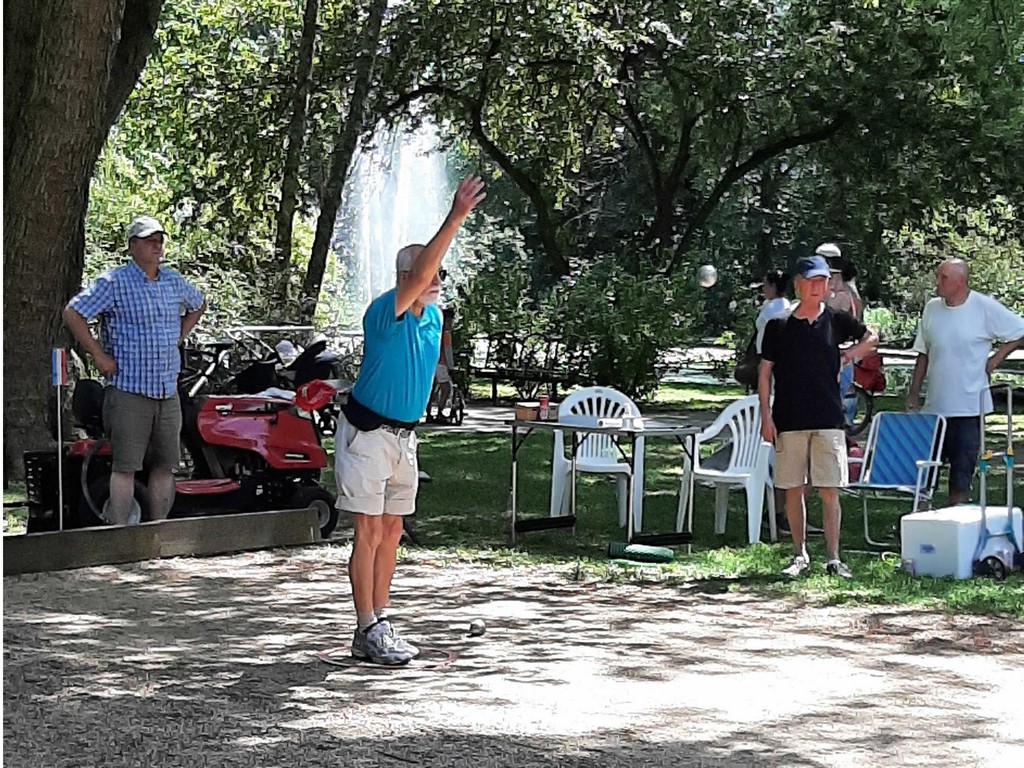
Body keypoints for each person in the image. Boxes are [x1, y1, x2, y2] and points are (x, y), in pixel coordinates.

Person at [335, 174, 486, 665]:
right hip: (367, 434)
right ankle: (366, 625)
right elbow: (419, 277)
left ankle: (380, 619)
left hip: (404, 437)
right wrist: (456, 217)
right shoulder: (387, 311)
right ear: (405, 278)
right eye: (427, 273)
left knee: (392, 529)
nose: (435, 279)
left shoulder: (435, 318)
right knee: (368, 531)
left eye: (440, 273)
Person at [63, 216, 206, 524]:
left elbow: (198, 304)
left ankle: (158, 532)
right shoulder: (114, 282)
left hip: (167, 390)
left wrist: (180, 335)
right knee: (125, 466)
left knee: (165, 466)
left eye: (160, 241)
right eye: (150, 241)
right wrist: (99, 356)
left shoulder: (173, 281)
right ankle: (121, 534)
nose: (157, 246)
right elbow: (73, 312)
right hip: (129, 389)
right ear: (132, 246)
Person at [759, 254, 878, 579]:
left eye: (823, 281)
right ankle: (799, 555)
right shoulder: (778, 325)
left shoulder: (837, 320)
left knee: (829, 490)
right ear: (798, 285)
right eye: (811, 281)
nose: (817, 287)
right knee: (793, 489)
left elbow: (872, 337)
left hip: (828, 418)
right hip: (789, 418)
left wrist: (849, 355)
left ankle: (834, 558)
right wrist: (766, 417)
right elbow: (765, 373)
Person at [905, 259, 1024, 505]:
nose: (937, 282)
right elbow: (923, 353)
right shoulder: (932, 308)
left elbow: (1019, 330)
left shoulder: (982, 307)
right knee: (924, 472)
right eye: (938, 276)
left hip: (969, 408)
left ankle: (956, 517)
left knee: (961, 473)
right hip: (934, 409)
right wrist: (913, 393)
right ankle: (921, 518)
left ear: (960, 281)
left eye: (943, 278)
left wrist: (996, 358)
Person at [429, 307, 457, 421]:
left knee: (433, 388)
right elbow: (447, 351)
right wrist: (451, 367)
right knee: (446, 388)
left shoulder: (435, 332)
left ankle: (429, 413)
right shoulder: (446, 334)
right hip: (442, 363)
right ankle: (440, 412)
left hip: (432, 362)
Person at [754, 270, 791, 353]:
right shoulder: (781, 303)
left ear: (773, 287)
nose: (763, 288)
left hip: (770, 354)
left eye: (765, 285)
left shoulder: (774, 309)